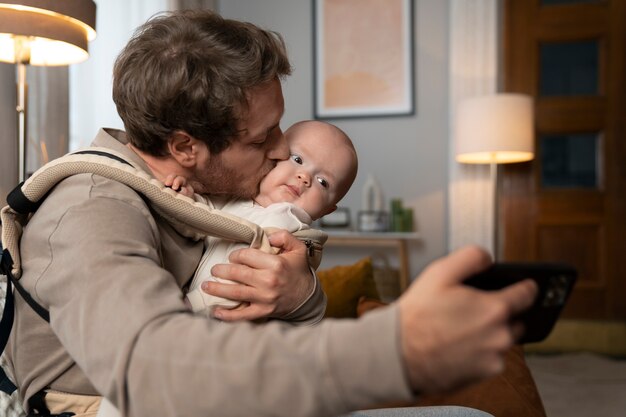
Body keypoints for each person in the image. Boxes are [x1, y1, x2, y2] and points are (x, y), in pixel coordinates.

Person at [4, 9, 537, 417]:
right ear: (187, 146)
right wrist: (396, 349)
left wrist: (299, 294)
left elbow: (279, 311)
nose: (284, 151)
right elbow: (153, 368)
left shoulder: (201, 188)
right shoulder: (92, 208)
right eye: (265, 137)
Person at [185, 120, 358, 314]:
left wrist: (191, 305)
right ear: (274, 153)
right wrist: (186, 193)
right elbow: (197, 215)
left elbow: (245, 283)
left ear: (326, 210)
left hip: (212, 317)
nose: (304, 177)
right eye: (298, 159)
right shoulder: (235, 196)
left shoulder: (285, 226)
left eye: (323, 182)